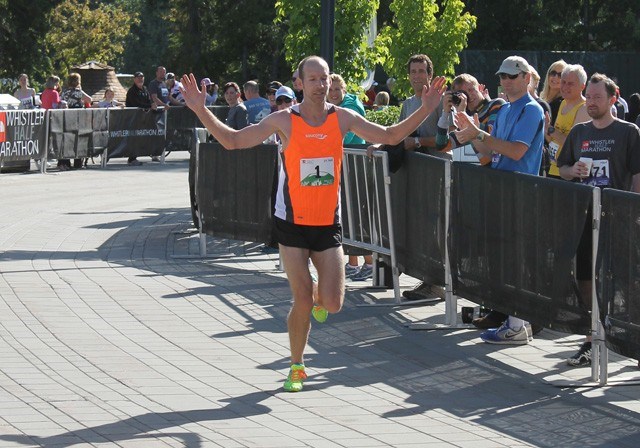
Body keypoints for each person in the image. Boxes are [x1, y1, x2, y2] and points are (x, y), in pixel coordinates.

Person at [180, 55, 446, 392]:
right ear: (300, 84)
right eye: (314, 80)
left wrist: (426, 107)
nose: (321, 86)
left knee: (332, 303)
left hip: (327, 224)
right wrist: (200, 110)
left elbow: (391, 135)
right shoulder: (284, 120)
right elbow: (234, 141)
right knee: (302, 299)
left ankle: (321, 296)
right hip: (291, 224)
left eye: (325, 79)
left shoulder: (343, 118)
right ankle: (296, 364)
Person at [454, 55, 545, 345]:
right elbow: (487, 154)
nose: (506, 81)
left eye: (512, 76)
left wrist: (478, 133)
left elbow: (517, 152)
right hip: (502, 190)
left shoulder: (532, 109)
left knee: (515, 260)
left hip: (520, 192)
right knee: (504, 259)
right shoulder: (505, 109)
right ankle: (515, 322)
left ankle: (519, 324)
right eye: (503, 76)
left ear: (526, 78)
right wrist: (470, 133)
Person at [557, 73, 640, 366]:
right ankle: (593, 337)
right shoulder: (579, 132)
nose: (591, 103)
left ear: (612, 99)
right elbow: (562, 166)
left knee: (627, 279)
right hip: (585, 217)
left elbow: (637, 175)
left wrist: (632, 210)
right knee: (584, 276)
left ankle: (634, 338)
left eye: (597, 98)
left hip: (618, 216)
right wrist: (573, 171)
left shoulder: (628, 132)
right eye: (589, 97)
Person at [327, 73, 373, 281]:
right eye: (330, 89)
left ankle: (369, 262)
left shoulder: (351, 108)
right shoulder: (332, 109)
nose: (333, 93)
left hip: (355, 166)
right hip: (343, 166)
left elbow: (347, 136)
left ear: (344, 90)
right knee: (346, 214)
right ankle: (353, 263)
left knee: (356, 213)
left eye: (337, 89)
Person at [546, 64, 590, 179]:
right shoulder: (563, 103)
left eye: (570, 84)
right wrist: (546, 129)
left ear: (582, 86)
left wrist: (551, 129)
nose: (565, 87)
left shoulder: (584, 108)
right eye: (563, 82)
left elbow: (572, 144)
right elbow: (552, 140)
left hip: (570, 174)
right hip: (554, 169)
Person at [60, 73, 92, 170]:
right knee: (78, 141)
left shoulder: (64, 92)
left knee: (67, 140)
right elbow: (90, 99)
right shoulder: (78, 91)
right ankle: (78, 163)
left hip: (66, 117)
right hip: (77, 118)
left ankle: (65, 162)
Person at [125, 71, 157, 166]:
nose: (140, 79)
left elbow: (148, 100)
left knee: (142, 137)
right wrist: (149, 105)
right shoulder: (132, 91)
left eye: (142, 77)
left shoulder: (145, 89)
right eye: (138, 77)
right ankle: (132, 158)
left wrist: (152, 105)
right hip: (133, 118)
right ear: (134, 79)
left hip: (144, 118)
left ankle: (151, 154)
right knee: (134, 138)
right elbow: (136, 104)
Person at [540, 60, 567, 124]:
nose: (555, 77)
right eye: (553, 73)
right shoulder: (541, 97)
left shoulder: (562, 103)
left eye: (560, 75)